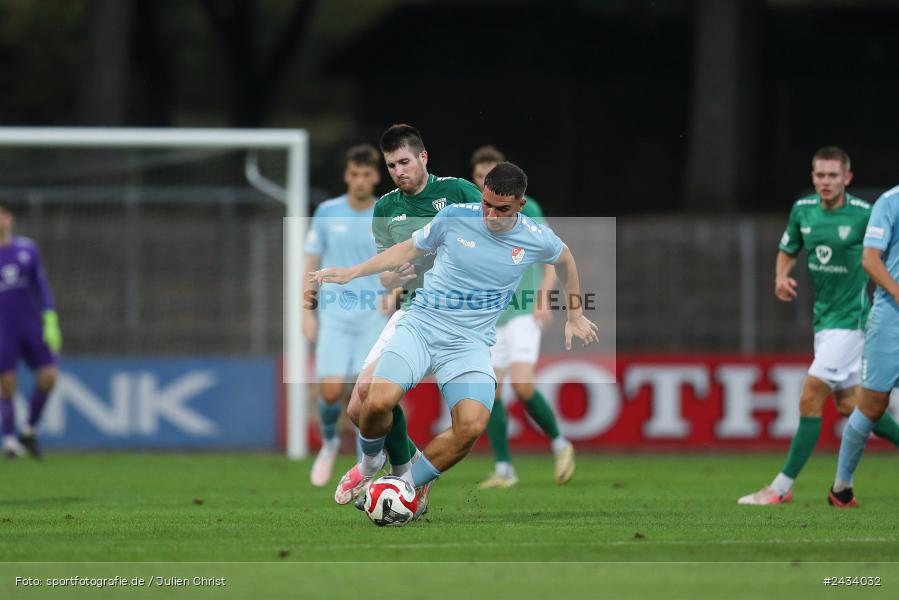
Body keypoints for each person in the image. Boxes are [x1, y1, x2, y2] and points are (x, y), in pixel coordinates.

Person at [313, 162, 598, 521]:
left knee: (472, 425)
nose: (491, 215)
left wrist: (574, 314)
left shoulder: (535, 236)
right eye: (486, 204)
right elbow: (405, 251)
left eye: (502, 209)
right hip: (423, 324)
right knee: (375, 401)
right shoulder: (454, 217)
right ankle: (371, 461)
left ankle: (409, 485)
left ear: (520, 206)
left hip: (469, 343)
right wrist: (353, 273)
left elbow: (566, 260)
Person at [331, 124, 483, 505]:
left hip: (456, 319)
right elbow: (386, 277)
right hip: (413, 309)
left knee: (377, 400)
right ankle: (404, 473)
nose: (399, 171)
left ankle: (397, 477)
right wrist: (393, 275)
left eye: (404, 161)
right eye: (392, 165)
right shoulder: (386, 208)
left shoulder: (458, 192)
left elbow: (489, 244)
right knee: (358, 405)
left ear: (423, 157)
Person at [738, 148, 899, 505]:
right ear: (812, 177)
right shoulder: (803, 211)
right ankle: (837, 491)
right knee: (855, 407)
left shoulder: (863, 214)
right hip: (824, 321)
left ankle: (780, 488)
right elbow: (788, 248)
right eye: (820, 175)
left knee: (811, 393)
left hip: (852, 321)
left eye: (833, 176)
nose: (826, 182)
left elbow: (882, 255)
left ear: (847, 178)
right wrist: (781, 276)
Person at [469, 146, 574, 489]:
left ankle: (560, 444)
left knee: (524, 385)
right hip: (490, 318)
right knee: (492, 393)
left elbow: (551, 257)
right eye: (481, 175)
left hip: (524, 312)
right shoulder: (469, 215)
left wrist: (543, 298)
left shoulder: (527, 210)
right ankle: (504, 469)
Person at [304, 145, 388, 486]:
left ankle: (362, 465)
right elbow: (311, 263)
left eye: (367, 174)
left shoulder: (387, 211)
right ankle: (328, 444)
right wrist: (306, 310)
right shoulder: (326, 211)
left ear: (376, 177)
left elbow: (402, 260)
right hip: (336, 315)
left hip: (373, 314)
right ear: (346, 176)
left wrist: (395, 293)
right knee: (329, 391)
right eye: (355, 174)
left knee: (364, 393)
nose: (360, 181)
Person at [828, 184, 899, 508]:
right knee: (872, 405)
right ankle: (841, 488)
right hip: (891, 320)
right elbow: (870, 260)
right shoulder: (890, 202)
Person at [0, 199, 62, 459]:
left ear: (10, 217)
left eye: (1, 214)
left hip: (31, 325)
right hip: (3, 330)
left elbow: (41, 286)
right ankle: (10, 440)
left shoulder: (27, 249)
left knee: (49, 377)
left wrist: (50, 320)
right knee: (7, 384)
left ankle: (29, 431)